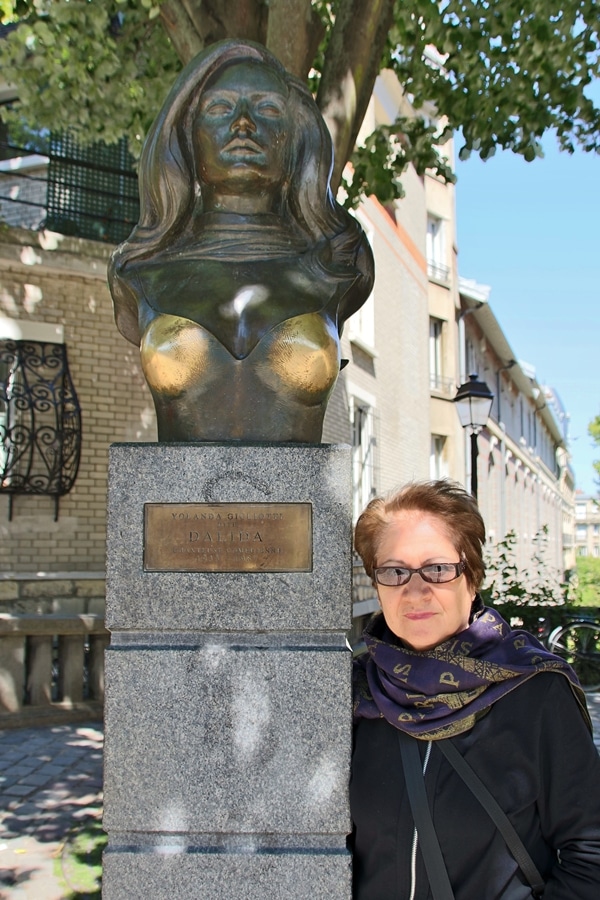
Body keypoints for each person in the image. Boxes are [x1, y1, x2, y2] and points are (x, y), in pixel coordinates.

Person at [108, 39, 374, 443]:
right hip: (178, 503)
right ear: (186, 135)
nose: (243, 125)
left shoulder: (340, 264)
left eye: (268, 109)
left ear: (296, 136)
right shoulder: (140, 270)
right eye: (220, 108)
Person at [351, 479, 600, 899]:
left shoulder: (535, 692)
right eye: (394, 571)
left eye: (438, 569)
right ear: (377, 585)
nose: (416, 591)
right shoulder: (358, 692)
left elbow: (590, 853)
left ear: (472, 577)